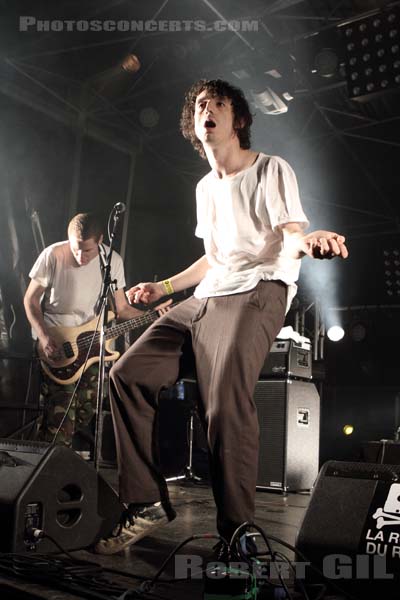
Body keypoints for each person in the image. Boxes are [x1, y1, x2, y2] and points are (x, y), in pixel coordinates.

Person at [94, 79, 348, 555]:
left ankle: (238, 528)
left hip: (259, 290)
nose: (206, 110)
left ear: (239, 120)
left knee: (224, 399)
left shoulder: (271, 168)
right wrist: (164, 287)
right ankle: (146, 501)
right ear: (194, 125)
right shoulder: (205, 188)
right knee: (127, 374)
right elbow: (214, 257)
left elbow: (291, 232)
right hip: (209, 295)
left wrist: (310, 242)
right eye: (199, 106)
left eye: (218, 105)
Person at [23, 212, 168, 448]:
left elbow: (121, 309)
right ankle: (50, 471)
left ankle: (45, 445)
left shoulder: (113, 262)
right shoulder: (52, 255)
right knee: (63, 414)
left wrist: (154, 317)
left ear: (100, 241)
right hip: (57, 342)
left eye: (87, 250)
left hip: (91, 346)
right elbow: (30, 300)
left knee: (86, 411)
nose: (80, 256)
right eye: (75, 249)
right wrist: (44, 337)